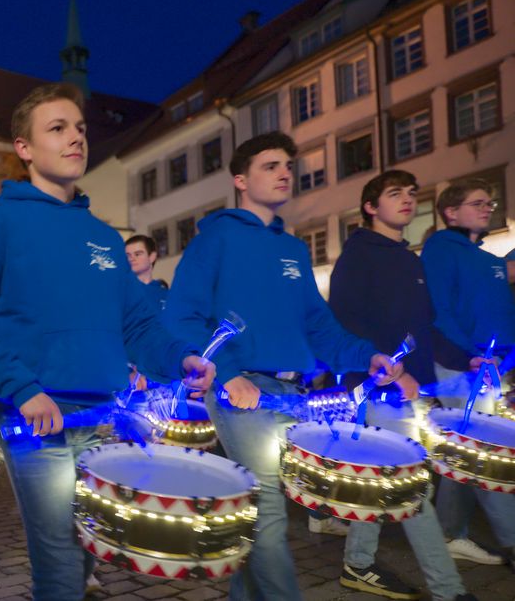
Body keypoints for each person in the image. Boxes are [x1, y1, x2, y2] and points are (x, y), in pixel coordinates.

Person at [0, 83, 216, 601]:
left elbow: (137, 326)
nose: (75, 138)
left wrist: (181, 358)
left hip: (104, 417)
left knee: (90, 545)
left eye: (80, 128)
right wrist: (20, 388)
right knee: (61, 558)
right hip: (36, 417)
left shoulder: (104, 237)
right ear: (24, 148)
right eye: (57, 128)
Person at [162, 131, 402, 601]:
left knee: (265, 510)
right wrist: (228, 375)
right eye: (270, 165)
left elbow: (319, 325)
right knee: (269, 509)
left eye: (287, 165)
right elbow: (182, 315)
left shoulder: (292, 248)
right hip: (243, 387)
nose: (284, 173)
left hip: (293, 392)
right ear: (240, 180)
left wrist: (366, 355)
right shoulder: (217, 237)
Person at [329, 170, 476, 601]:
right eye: (395, 194)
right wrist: (394, 372)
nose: (408, 200)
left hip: (411, 392)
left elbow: (427, 327)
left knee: (383, 479)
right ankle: (449, 590)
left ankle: (357, 564)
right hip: (381, 392)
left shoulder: (409, 259)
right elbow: (347, 327)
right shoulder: (358, 257)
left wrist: (465, 358)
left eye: (412, 193)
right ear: (370, 207)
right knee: (413, 487)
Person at [421, 178, 515, 569]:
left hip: (493, 365)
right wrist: (472, 355)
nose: (487, 208)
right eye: (477, 203)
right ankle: (512, 541)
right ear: (450, 212)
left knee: (468, 451)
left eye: (489, 203)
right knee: (486, 450)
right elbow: (439, 311)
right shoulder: (442, 248)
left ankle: (447, 534)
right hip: (466, 366)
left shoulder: (485, 257)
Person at [125, 234, 168, 310]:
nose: (131, 259)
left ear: (152, 257)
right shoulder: (121, 292)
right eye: (128, 256)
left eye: (137, 254)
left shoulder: (167, 294)